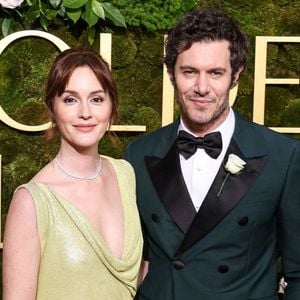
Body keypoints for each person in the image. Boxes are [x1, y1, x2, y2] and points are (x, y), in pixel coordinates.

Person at [124, 8, 300, 300]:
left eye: (215, 73)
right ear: (171, 74)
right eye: (189, 72)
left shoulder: (284, 156)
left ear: (236, 75)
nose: (201, 88)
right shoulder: (138, 154)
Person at [3, 47, 143, 299]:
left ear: (112, 106)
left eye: (97, 99)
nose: (85, 112)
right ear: (52, 109)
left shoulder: (126, 175)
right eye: (70, 99)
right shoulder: (31, 202)